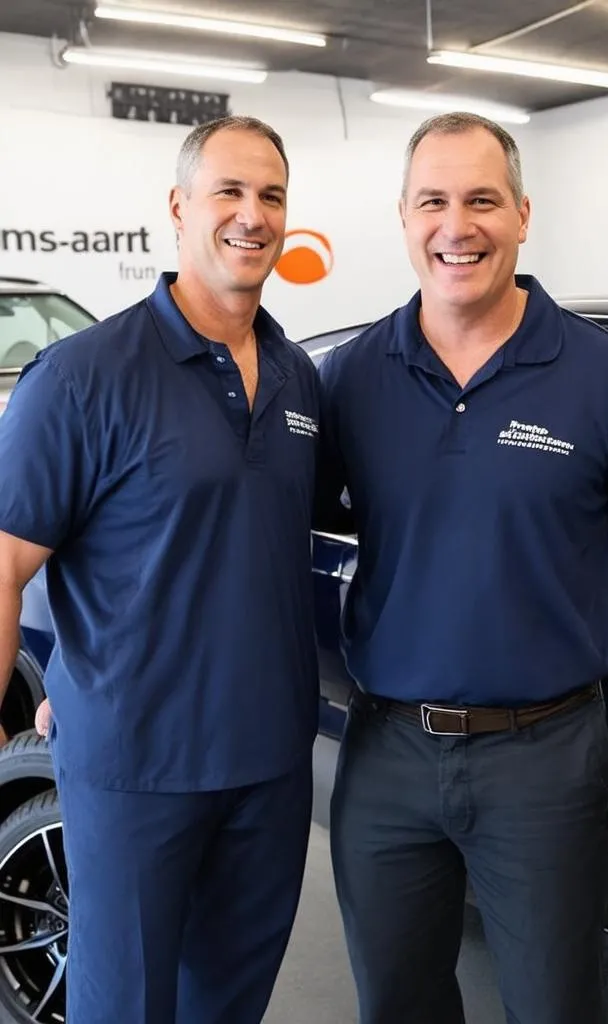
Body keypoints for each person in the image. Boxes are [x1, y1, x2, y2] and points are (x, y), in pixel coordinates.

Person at [315, 111, 608, 1024]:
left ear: (523, 215)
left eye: (482, 200)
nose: (458, 226)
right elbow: (240, 523)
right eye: (433, 202)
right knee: (395, 1004)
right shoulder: (350, 377)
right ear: (405, 220)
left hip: (547, 758)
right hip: (386, 754)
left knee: (553, 1007)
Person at [0, 115, 321, 1023]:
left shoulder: (299, 380)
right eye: (228, 190)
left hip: (269, 763)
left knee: (230, 1000)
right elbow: (6, 564)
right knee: (126, 1003)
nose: (250, 215)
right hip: (136, 765)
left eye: (270, 195)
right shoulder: (80, 376)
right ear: (179, 209)